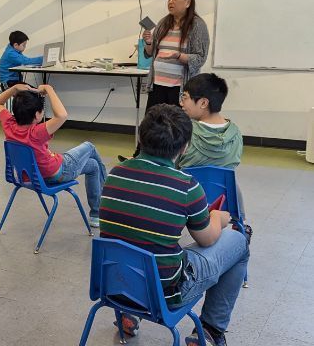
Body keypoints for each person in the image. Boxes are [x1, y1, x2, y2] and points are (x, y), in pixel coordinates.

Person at [99, 104, 250, 346]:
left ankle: (127, 313)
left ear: (141, 137)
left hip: (115, 284)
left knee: (136, 244)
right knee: (240, 241)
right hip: (165, 294)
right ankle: (210, 331)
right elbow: (207, 239)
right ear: (185, 146)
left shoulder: (115, 173)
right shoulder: (186, 186)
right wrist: (219, 218)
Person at [0, 83, 106, 228]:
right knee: (90, 146)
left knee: (94, 166)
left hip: (29, 177)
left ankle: (96, 215)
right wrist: (48, 88)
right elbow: (62, 115)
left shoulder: (9, 125)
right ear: (37, 114)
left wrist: (15, 88)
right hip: (56, 173)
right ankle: (108, 197)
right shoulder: (36, 132)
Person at [120, 0, 210, 161]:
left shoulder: (197, 25)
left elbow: (200, 57)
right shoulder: (163, 22)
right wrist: (147, 42)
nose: (171, 1)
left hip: (179, 86)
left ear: (188, 2)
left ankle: (175, 161)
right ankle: (139, 157)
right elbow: (150, 52)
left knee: (175, 127)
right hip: (158, 82)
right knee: (151, 122)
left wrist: (180, 56)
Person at [177, 73, 242, 169]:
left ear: (203, 103)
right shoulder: (236, 134)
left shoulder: (186, 132)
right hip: (222, 184)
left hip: (187, 183)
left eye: (185, 98)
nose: (181, 103)